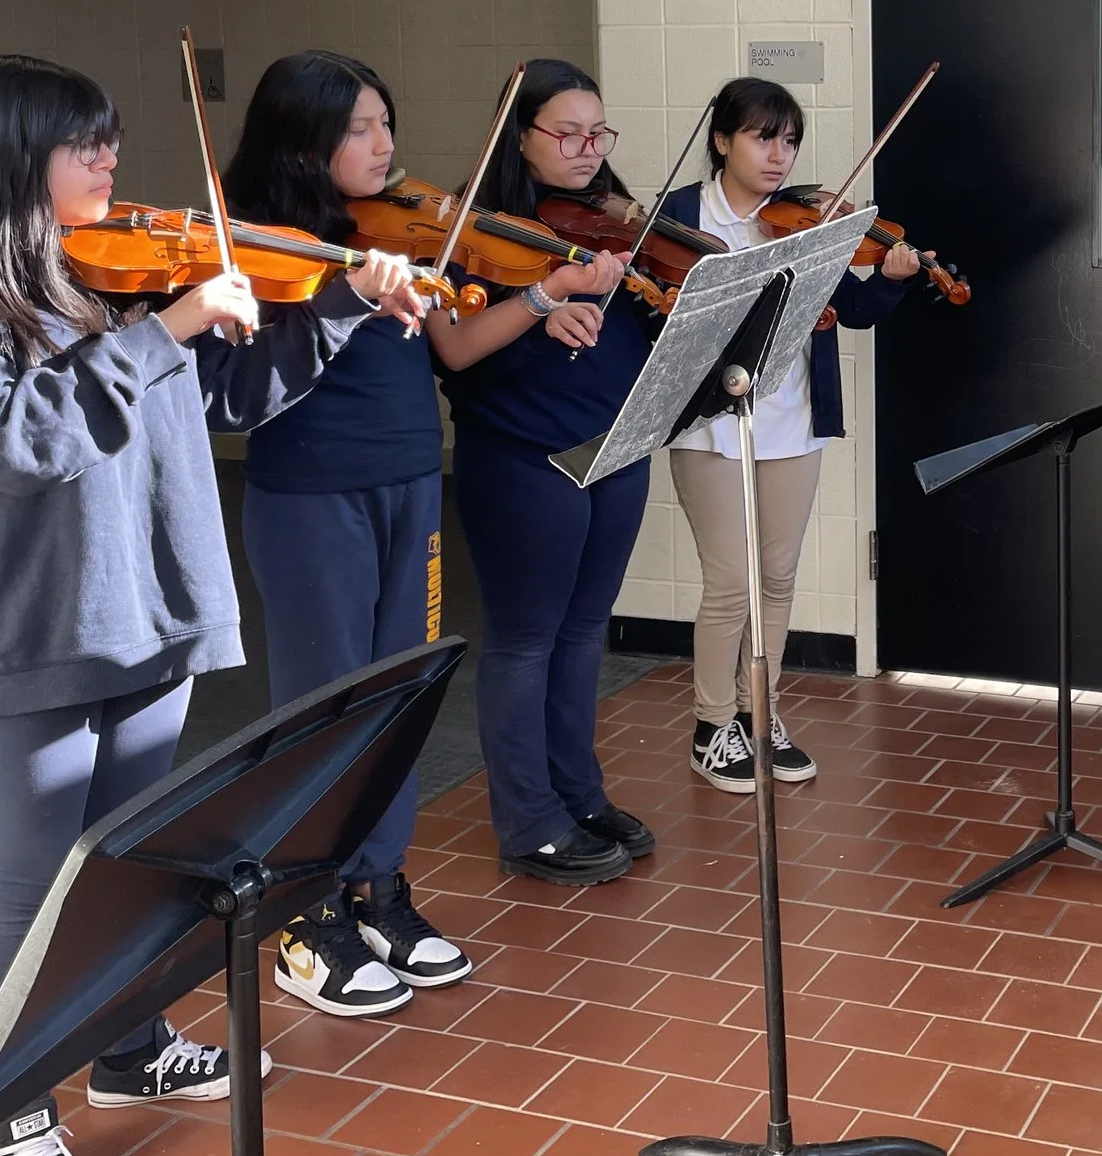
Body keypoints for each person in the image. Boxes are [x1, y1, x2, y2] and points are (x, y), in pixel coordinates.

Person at [0, 55, 420, 1156]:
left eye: (111, 137)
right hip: (32, 632)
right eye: (88, 143)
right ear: (11, 154)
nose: (112, 160)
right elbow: (5, 444)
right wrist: (167, 327)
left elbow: (228, 396)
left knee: (132, 866)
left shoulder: (107, 274)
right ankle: (10, 1119)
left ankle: (125, 1051)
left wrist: (340, 306)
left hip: (153, 610)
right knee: (32, 881)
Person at [219, 51, 476, 1021]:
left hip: (411, 476)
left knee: (398, 695)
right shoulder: (263, 246)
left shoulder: (392, 229)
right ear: (305, 140)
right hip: (312, 493)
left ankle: (378, 887)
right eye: (362, 129)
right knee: (322, 707)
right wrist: (342, 293)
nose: (386, 147)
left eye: (386, 123)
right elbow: (245, 383)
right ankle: (303, 912)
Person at [660, 79, 922, 792]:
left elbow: (858, 308)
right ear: (722, 140)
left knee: (776, 577)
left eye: (790, 140)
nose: (780, 154)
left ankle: (759, 711)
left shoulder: (810, 221)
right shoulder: (679, 215)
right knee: (730, 581)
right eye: (762, 137)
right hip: (709, 423)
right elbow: (654, 314)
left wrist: (893, 277)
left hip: (792, 420)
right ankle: (712, 725)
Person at [431, 59, 654, 885]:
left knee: (585, 627)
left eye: (600, 132)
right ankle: (528, 819)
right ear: (519, 135)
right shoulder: (474, 228)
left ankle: (578, 792)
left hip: (614, 445)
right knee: (525, 637)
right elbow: (452, 346)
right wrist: (541, 300)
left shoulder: (611, 221)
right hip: (522, 455)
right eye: (568, 133)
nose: (589, 149)